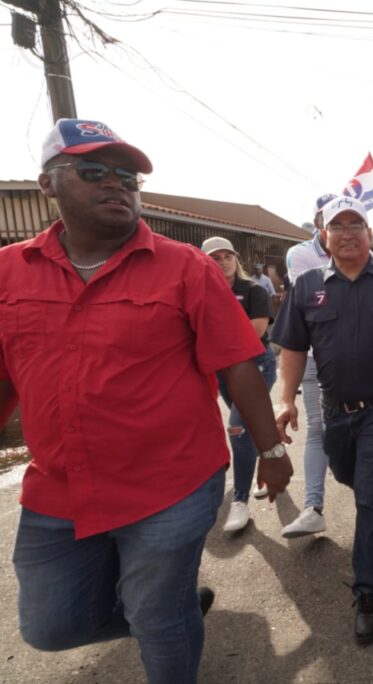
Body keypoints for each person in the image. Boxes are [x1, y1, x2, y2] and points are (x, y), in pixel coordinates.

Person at [0, 118, 292, 684]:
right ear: (48, 184)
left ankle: (165, 621)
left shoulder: (185, 266)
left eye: (127, 177)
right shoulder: (9, 273)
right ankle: (170, 615)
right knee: (48, 627)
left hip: (170, 485)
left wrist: (272, 451)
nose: (116, 184)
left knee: (158, 616)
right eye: (93, 171)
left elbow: (237, 362)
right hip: (60, 488)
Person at [274, 195, 373, 645]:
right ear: (325, 235)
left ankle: (370, 589)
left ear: (368, 232)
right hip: (334, 408)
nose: (348, 232)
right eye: (338, 225)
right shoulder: (307, 285)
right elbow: (293, 348)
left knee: (370, 495)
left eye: (356, 223)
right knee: (347, 475)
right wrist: (286, 399)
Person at [201, 237, 278, 532]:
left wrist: (211, 337)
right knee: (251, 425)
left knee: (237, 429)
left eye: (227, 256)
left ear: (236, 259)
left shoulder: (253, 290)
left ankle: (241, 501)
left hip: (255, 366)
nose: (222, 262)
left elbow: (256, 329)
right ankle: (271, 461)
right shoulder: (199, 292)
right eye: (215, 258)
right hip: (221, 369)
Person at [279, 194, 337, 539]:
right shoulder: (300, 254)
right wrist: (286, 396)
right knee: (318, 430)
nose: (340, 229)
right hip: (316, 360)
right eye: (329, 220)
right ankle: (313, 507)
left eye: (350, 222)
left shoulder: (366, 253)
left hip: (355, 363)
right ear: (320, 223)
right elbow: (320, 299)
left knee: (362, 436)